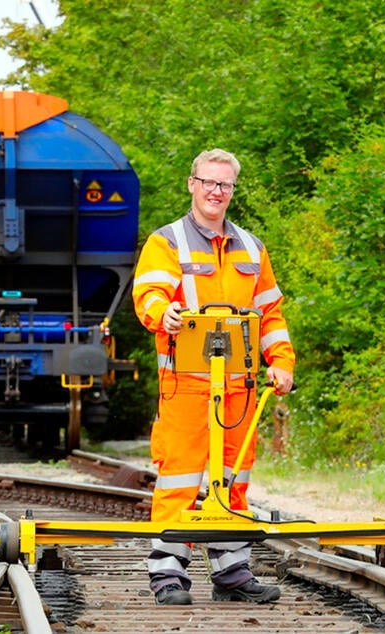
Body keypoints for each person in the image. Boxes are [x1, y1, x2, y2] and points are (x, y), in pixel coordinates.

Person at [132, 148, 295, 605]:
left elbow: (270, 313)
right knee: (179, 479)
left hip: (239, 388)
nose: (216, 192)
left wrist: (281, 360)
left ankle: (231, 571)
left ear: (232, 190)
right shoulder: (166, 242)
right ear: (192, 184)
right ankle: (168, 574)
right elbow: (148, 293)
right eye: (208, 182)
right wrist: (163, 314)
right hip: (186, 382)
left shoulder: (252, 247)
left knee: (233, 479)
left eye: (224, 185)